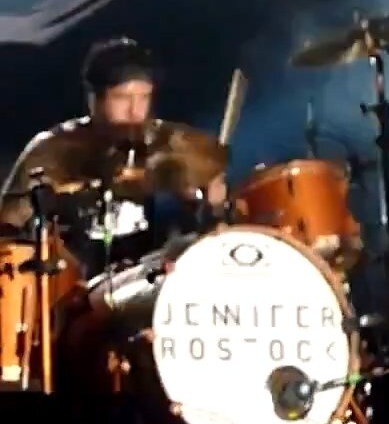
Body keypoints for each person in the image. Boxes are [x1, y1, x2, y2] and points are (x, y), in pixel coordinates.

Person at [0, 37, 227, 273]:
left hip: (143, 277)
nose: (135, 111)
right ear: (95, 101)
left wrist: (212, 205)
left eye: (144, 97)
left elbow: (205, 215)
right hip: (68, 281)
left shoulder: (162, 144)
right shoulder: (53, 150)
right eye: (122, 98)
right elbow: (7, 230)